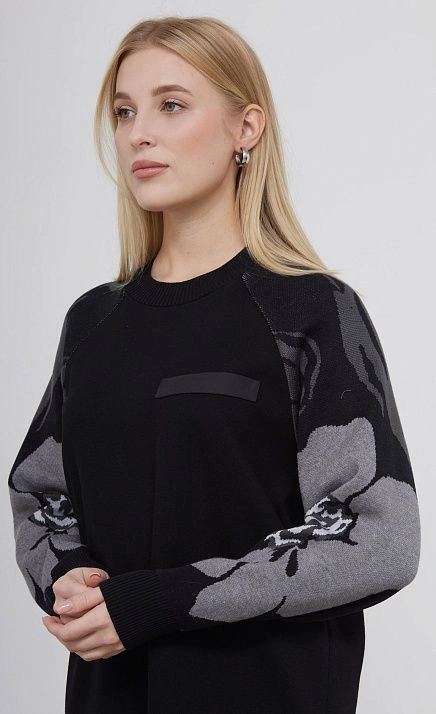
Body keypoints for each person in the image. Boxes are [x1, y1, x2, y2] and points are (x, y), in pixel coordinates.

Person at [8, 15, 421, 714]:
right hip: (112, 695)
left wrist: (162, 601)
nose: (139, 133)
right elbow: (40, 491)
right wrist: (66, 575)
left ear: (245, 128)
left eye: (171, 105)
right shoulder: (94, 322)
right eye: (124, 112)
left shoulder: (307, 311)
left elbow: (378, 534)